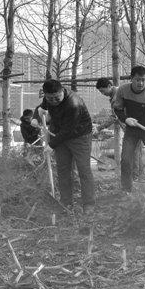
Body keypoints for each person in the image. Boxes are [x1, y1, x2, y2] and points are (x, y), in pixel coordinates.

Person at [38, 79, 95, 212]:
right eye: (50, 98)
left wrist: (51, 145)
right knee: (63, 169)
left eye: (56, 98)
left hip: (80, 135)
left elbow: (68, 130)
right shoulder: (49, 98)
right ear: (45, 95)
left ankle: (88, 204)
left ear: (62, 91)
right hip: (60, 135)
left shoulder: (73, 103)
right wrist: (37, 116)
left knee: (84, 169)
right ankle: (66, 203)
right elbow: (43, 107)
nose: (53, 101)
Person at [113, 65, 145, 191]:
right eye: (137, 80)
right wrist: (125, 119)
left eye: (144, 80)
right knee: (125, 159)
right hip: (132, 128)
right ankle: (126, 189)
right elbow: (117, 108)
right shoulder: (123, 90)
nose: (141, 83)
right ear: (131, 79)